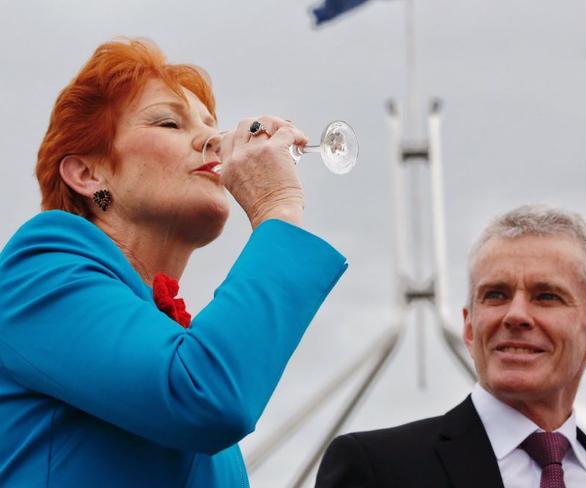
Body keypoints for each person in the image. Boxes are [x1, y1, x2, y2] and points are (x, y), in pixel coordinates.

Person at [0, 38, 347, 487]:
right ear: (89, 175)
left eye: (211, 125)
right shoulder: (40, 268)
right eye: (169, 122)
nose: (213, 141)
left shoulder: (171, 340)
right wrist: (276, 208)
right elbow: (207, 396)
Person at [315, 204, 586, 488]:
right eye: (496, 295)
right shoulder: (378, 470)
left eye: (546, 296)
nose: (515, 315)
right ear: (470, 327)